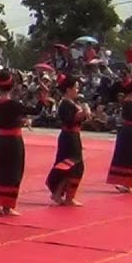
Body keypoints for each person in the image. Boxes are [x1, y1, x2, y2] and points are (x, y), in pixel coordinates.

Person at [0, 70, 27, 216]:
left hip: (2, 140)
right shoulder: (14, 104)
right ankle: (7, 205)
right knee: (15, 171)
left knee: (3, 170)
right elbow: (33, 110)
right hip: (14, 141)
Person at [45, 75, 88, 206]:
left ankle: (64, 195)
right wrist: (83, 112)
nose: (77, 89)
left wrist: (84, 113)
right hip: (69, 137)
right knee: (70, 166)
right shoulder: (65, 104)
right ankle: (62, 195)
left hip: (73, 136)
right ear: (69, 89)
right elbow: (70, 120)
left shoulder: (72, 103)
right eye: (75, 87)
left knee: (73, 167)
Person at [106, 76, 132, 193]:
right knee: (130, 156)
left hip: (127, 131)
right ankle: (126, 183)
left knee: (125, 155)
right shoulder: (130, 102)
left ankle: (124, 181)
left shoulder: (127, 101)